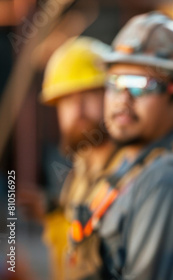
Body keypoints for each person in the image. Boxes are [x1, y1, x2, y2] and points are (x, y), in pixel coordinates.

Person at [65, 12, 173, 280]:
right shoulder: (134, 163)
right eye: (115, 83)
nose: (122, 100)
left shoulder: (172, 182)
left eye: (139, 85)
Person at [34, 36, 118, 280]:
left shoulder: (132, 170)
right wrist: (53, 213)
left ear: (111, 94)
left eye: (90, 94)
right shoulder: (79, 173)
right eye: (68, 100)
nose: (78, 108)